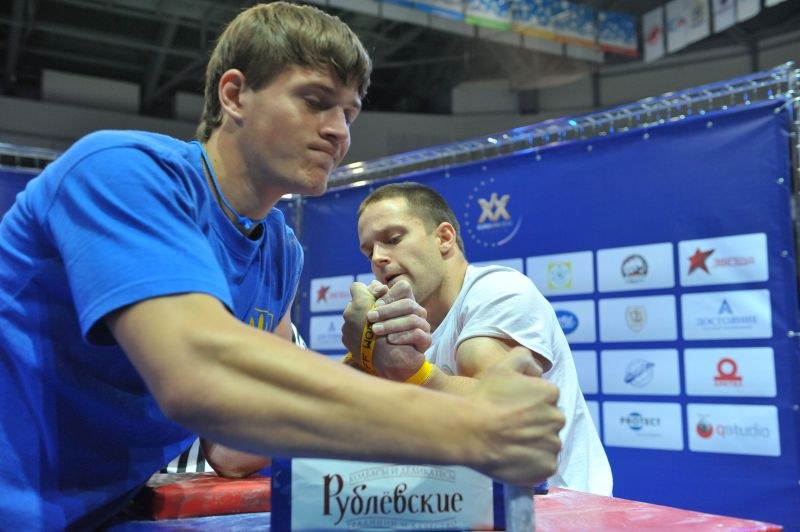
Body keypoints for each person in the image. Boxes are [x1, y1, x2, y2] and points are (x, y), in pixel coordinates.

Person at [0, 3, 565, 528]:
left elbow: (234, 447)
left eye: (349, 112)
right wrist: (467, 425)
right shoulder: (122, 173)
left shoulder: (279, 248)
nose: (339, 131)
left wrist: (370, 362)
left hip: (99, 513)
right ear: (234, 95)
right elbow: (201, 377)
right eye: (316, 101)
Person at [343, 182, 612, 495]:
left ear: (444, 238)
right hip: (463, 505)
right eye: (368, 251)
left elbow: (503, 409)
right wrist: (362, 354)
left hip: (556, 510)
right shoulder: (397, 319)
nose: (378, 257)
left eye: (393, 239)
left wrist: (410, 372)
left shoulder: (498, 291)